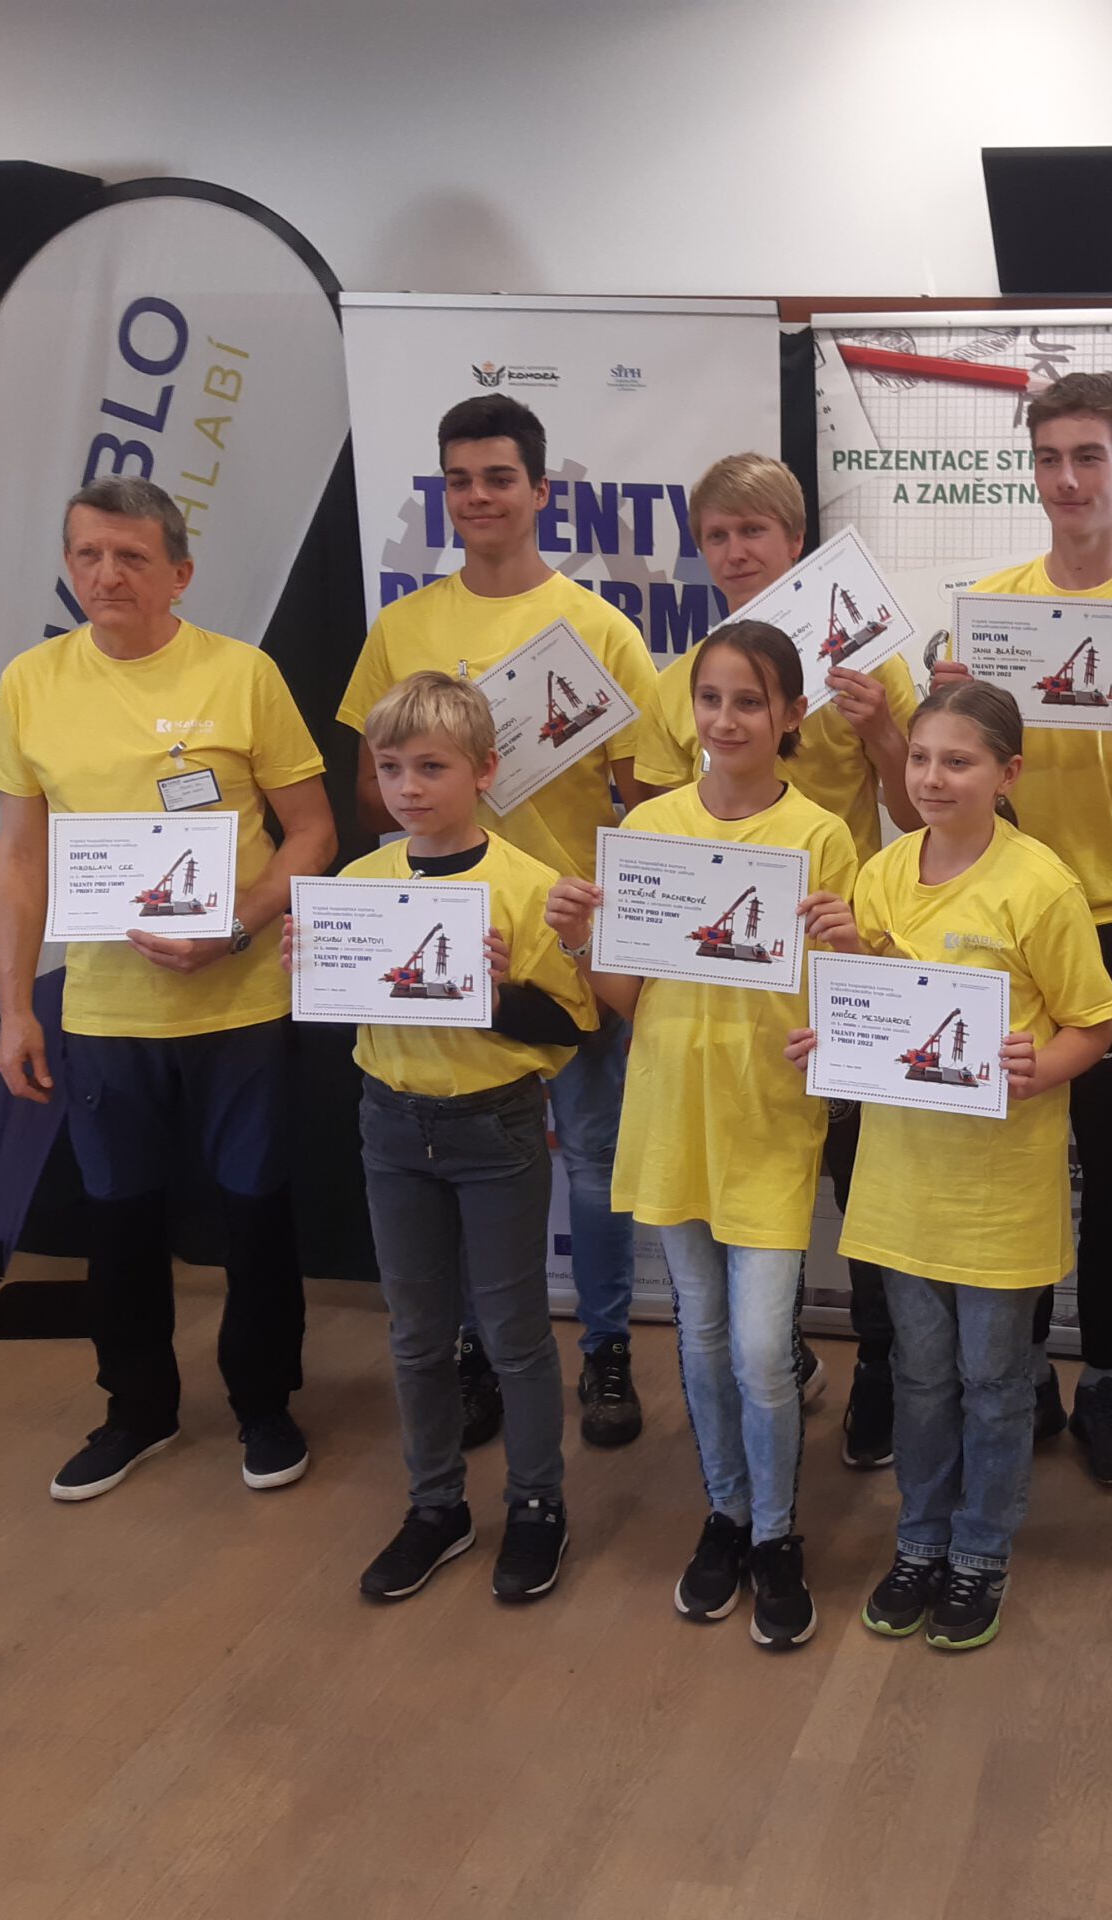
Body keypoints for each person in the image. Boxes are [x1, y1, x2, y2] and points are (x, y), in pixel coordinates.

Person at [0, 477, 337, 1503]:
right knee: (120, 1220)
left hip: (242, 1002)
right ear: (68, 565)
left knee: (255, 1215)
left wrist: (237, 927)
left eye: (132, 557)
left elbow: (313, 830)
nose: (108, 575)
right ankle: (136, 1410)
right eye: (88, 555)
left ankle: (265, 1404)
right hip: (106, 1009)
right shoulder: (31, 683)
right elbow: (19, 857)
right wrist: (15, 1008)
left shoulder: (242, 675)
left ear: (179, 573)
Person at [337, 394, 658, 1453]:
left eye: (498, 478)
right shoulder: (405, 627)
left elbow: (650, 803)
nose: (477, 497)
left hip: (565, 937)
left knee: (593, 1159)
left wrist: (609, 924)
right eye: (459, 480)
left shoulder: (600, 630)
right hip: (436, 939)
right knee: (455, 1152)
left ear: (539, 491)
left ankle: (605, 1349)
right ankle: (477, 1351)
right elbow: (367, 783)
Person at [792, 680, 1112, 1651]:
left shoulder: (1042, 887)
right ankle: (921, 1539)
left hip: (996, 1189)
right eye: (924, 758)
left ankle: (980, 1548)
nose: (933, 778)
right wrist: (830, 1029)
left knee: (994, 1380)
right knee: (922, 1377)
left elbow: (1092, 1025)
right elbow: (870, 1006)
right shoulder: (883, 872)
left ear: (1007, 774)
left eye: (959, 761)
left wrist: (1039, 1068)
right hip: (902, 1180)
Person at [549, 620, 859, 1647]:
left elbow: (841, 1001)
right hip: (672, 1107)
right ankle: (726, 1515)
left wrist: (852, 949)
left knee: (765, 1349)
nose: (727, 720)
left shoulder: (820, 835)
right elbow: (627, 996)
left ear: (791, 715)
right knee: (704, 1336)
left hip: (767, 1115)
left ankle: (777, 1532)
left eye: (750, 701)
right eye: (711, 700)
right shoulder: (650, 828)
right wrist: (582, 940)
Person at [933, 370, 1112, 1487]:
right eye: (1048, 458)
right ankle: (1015, 1375)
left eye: (1088, 456)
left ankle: (1100, 1378)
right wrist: (951, 708)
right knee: (1007, 1161)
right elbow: (956, 788)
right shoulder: (991, 609)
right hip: (1001, 925)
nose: (1067, 479)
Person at [626, 453, 921, 1467]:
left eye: (753, 530)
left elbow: (919, 810)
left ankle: (878, 1369)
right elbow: (658, 821)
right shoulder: (682, 680)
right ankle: (780, 1365)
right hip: (726, 985)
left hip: (841, 959)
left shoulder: (869, 657)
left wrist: (883, 732)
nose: (736, 550)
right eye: (717, 535)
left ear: (795, 541)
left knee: (862, 1184)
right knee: (752, 1202)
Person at [294, 671, 595, 1604]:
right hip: (391, 1123)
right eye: (391, 769)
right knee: (418, 1334)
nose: (409, 788)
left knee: (513, 1334)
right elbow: (342, 1002)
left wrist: (499, 994)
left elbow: (572, 1027)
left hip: (494, 1126)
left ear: (485, 771)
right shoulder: (358, 883)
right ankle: (436, 1505)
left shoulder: (527, 886)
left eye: (432, 767)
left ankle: (538, 1505)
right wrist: (312, 964)